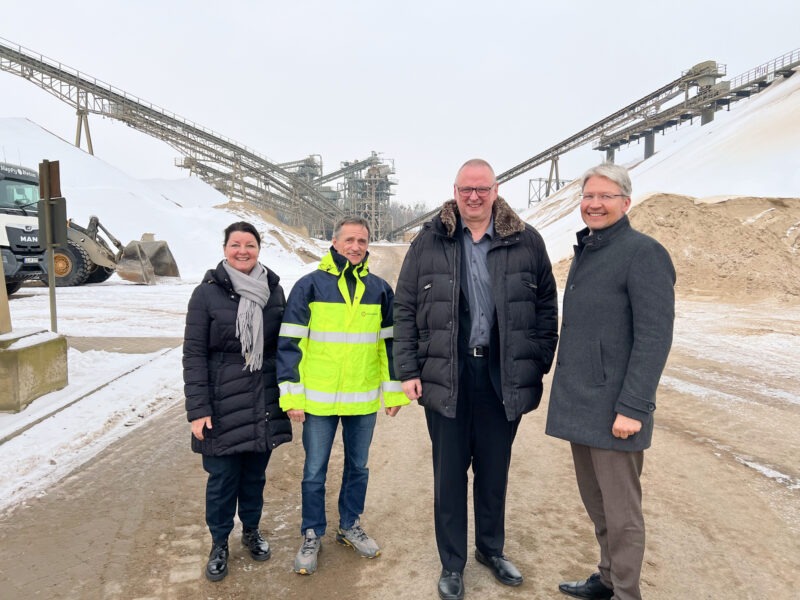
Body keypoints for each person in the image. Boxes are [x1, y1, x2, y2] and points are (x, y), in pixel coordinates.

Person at [393, 158, 559, 600]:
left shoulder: (526, 241)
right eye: (467, 188)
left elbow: (546, 308)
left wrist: (536, 360)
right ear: (454, 190)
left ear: (496, 190)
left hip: (500, 375)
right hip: (447, 374)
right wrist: (407, 370)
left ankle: (491, 549)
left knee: (493, 471)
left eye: (482, 189)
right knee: (449, 475)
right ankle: (452, 564)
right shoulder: (429, 242)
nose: (474, 196)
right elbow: (404, 308)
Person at [546, 163, 675, 600]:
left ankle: (626, 593)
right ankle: (607, 578)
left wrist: (634, 407)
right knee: (598, 504)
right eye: (588, 197)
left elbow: (654, 337)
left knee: (622, 514)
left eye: (605, 197)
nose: (594, 204)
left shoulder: (644, 253)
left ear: (626, 202)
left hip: (616, 409)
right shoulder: (591, 250)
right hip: (583, 404)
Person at [277, 216, 408, 575]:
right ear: (334, 243)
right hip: (318, 401)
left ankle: (349, 525)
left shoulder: (380, 289)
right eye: (349, 240)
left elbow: (389, 346)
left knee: (358, 468)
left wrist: (393, 392)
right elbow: (290, 343)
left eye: (362, 241)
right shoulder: (310, 286)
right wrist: (292, 395)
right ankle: (311, 532)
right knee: (314, 470)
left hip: (361, 399)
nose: (355, 246)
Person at [183, 221, 291, 582]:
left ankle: (251, 531)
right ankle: (219, 542)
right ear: (224, 248)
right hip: (222, 402)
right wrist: (198, 410)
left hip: (263, 399)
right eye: (235, 244)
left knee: (254, 477)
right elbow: (194, 354)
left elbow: (284, 349)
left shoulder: (274, 291)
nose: (242, 250)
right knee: (222, 478)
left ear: (259, 249)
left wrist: (290, 395)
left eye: (250, 244)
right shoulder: (206, 294)